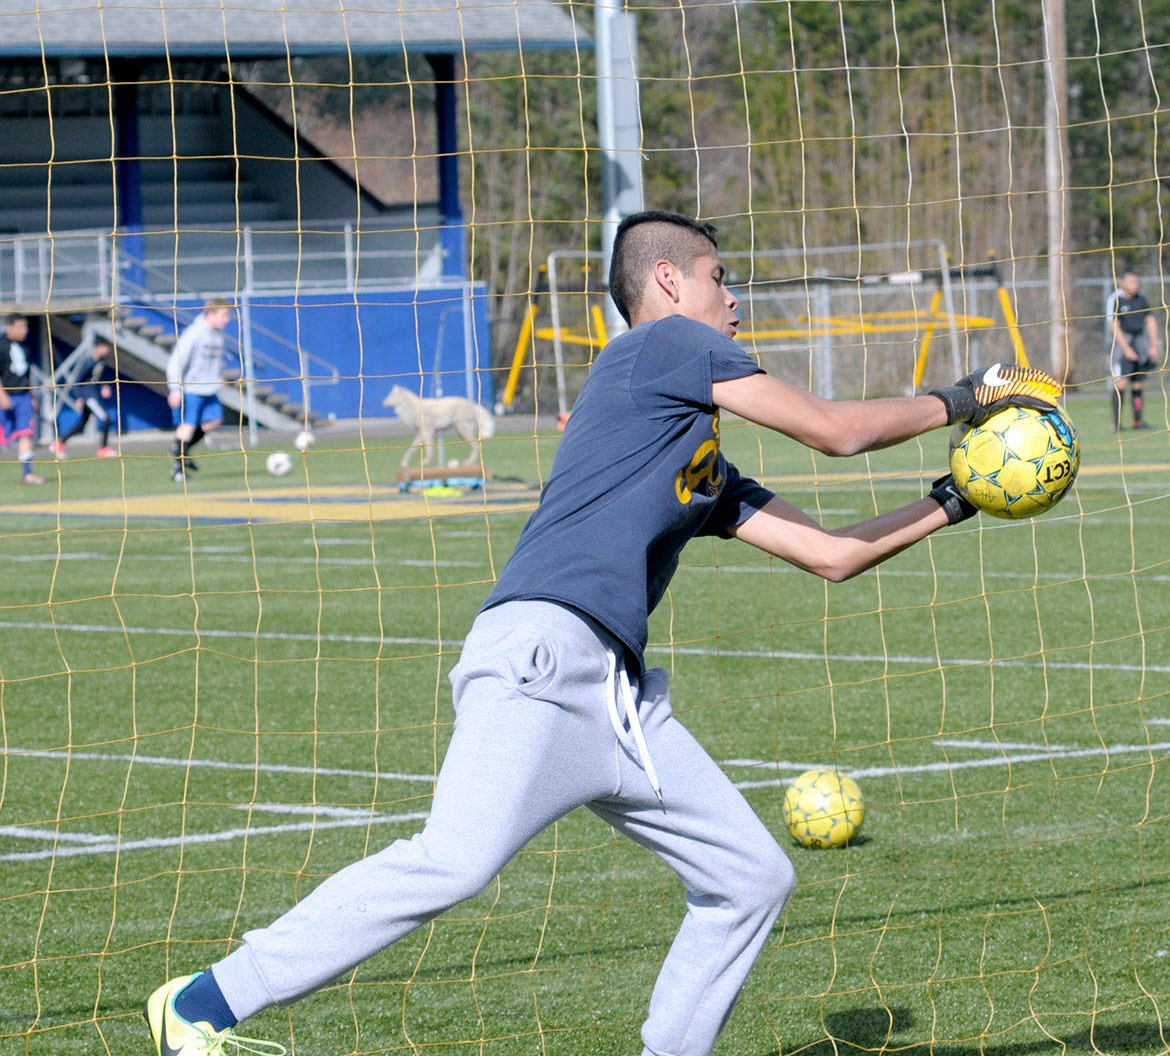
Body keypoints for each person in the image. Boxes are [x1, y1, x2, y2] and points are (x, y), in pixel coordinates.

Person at [145, 212, 1061, 1056]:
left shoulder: (694, 453)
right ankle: (203, 1002)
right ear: (666, 281)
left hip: (617, 700)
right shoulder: (662, 345)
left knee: (750, 878)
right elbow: (833, 432)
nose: (733, 296)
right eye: (718, 275)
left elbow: (829, 554)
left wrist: (956, 499)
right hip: (541, 659)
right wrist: (966, 396)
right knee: (450, 862)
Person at [166, 298, 232, 481]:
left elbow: (215, 360)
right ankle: (178, 471)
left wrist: (218, 375)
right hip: (192, 389)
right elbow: (175, 362)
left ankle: (180, 449)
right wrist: (175, 389)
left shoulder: (219, 335)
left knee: (215, 420)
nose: (227, 319)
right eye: (224, 315)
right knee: (188, 426)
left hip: (210, 389)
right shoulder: (194, 333)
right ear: (211, 314)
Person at [1105, 271, 1160, 430]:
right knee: (1121, 383)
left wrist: (1153, 346)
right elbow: (1113, 325)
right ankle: (1116, 423)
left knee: (1138, 382)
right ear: (1122, 283)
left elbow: (1150, 320)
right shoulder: (1116, 299)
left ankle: (1138, 421)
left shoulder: (1141, 298)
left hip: (1139, 343)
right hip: (1123, 344)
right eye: (1131, 282)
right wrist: (1126, 349)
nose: (1135, 285)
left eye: (1137, 282)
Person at [52, 338, 118, 458]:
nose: (106, 350)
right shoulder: (89, 362)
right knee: (106, 418)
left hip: (92, 394)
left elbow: (95, 379)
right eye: (103, 347)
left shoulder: (101, 363)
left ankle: (59, 444)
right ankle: (103, 448)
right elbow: (78, 380)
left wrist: (103, 386)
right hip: (88, 396)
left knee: (82, 422)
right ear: (96, 348)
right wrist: (80, 397)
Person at [0, 313, 45, 485]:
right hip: (5, 397)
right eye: (20, 327)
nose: (25, 330)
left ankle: (27, 474)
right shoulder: (1, 345)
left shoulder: (25, 347)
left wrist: (32, 397)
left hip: (23, 397)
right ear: (9, 327)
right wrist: (1, 395)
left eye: (25, 326)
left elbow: (27, 375)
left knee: (26, 434)